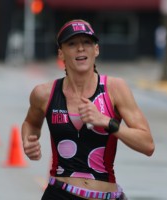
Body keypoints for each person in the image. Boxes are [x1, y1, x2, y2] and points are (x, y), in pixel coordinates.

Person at [21, 19, 155, 200]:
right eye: (72, 44)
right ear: (61, 54)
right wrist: (28, 141)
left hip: (105, 194)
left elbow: (147, 145)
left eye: (87, 42)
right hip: (61, 194)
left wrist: (107, 122)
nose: (81, 48)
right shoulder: (45, 93)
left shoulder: (114, 89)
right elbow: (30, 123)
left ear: (96, 49)